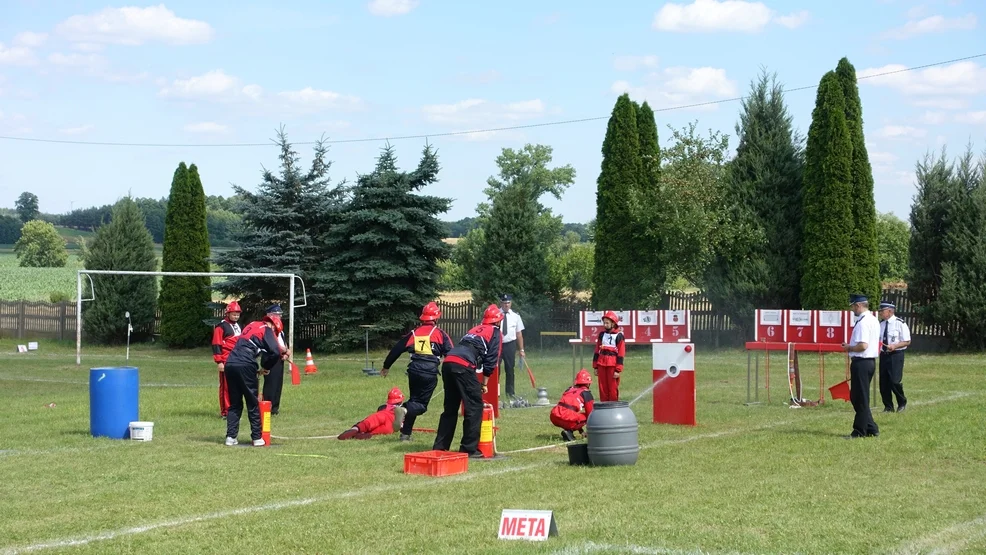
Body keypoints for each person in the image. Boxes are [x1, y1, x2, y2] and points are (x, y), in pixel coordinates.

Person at [433, 304, 503, 458]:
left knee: (450, 408)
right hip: (463, 366)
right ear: (498, 321)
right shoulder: (495, 332)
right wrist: (484, 383)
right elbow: (491, 360)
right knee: (474, 406)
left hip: (448, 362)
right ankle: (469, 449)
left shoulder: (474, 329)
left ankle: (440, 446)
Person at [381, 302, 453, 441]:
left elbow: (397, 349)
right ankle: (404, 410)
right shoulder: (440, 334)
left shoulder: (414, 333)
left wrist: (386, 366)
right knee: (421, 405)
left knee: (415, 400)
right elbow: (451, 353)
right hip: (429, 372)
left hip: (413, 371)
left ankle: (405, 434)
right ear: (436, 318)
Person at [223, 314, 285, 446]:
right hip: (245, 363)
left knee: (235, 403)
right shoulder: (267, 328)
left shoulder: (252, 325)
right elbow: (275, 351)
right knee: (252, 401)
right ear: (274, 326)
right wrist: (266, 367)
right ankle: (257, 438)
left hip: (230, 362)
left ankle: (230, 437)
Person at [841, 294, 881, 439]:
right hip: (869, 362)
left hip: (862, 362)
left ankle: (859, 431)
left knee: (860, 398)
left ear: (858, 305)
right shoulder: (873, 320)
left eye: (852, 306)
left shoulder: (863, 322)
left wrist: (849, 348)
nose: (852, 309)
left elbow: (863, 345)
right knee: (858, 396)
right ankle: (871, 427)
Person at [878, 301, 911, 413]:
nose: (880, 313)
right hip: (884, 355)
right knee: (884, 382)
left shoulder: (900, 323)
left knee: (894, 381)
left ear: (890, 311)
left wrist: (895, 346)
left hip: (896, 355)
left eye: (882, 311)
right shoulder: (881, 324)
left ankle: (902, 403)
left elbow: (907, 341)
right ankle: (888, 406)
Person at [338, 388, 408, 440]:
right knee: (373, 431)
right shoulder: (404, 411)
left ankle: (356, 430)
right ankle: (364, 434)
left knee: (367, 424)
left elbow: (370, 421)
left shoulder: (383, 411)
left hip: (385, 418)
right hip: (391, 427)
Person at [211, 300, 242, 418]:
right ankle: (226, 411)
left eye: (238, 314)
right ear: (228, 313)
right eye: (234, 314)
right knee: (226, 387)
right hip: (226, 360)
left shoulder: (238, 326)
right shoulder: (221, 327)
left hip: (238, 360)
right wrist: (219, 361)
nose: (236, 316)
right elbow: (216, 344)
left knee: (236, 386)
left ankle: (235, 408)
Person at [260, 304, 290, 415]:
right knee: (270, 384)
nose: (279, 317)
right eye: (276, 315)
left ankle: (275, 407)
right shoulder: (267, 329)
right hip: (270, 357)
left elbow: (283, 343)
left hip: (280, 358)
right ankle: (267, 406)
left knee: (278, 384)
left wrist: (287, 353)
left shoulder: (280, 329)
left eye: (280, 315)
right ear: (269, 315)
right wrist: (282, 350)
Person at [550, 369, 595, 442]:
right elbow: (591, 414)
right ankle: (569, 431)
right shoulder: (586, 393)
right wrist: (591, 433)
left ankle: (568, 431)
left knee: (574, 416)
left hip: (554, 416)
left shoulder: (569, 389)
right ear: (587, 383)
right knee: (588, 416)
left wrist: (581, 431)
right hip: (566, 418)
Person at [592, 310, 626, 402]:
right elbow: (596, 351)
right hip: (601, 363)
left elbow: (621, 354)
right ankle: (604, 406)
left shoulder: (619, 336)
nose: (605, 325)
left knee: (612, 387)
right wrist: (595, 366)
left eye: (607, 323)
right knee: (602, 387)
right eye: (604, 323)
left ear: (613, 323)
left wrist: (618, 370)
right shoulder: (601, 335)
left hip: (612, 364)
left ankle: (613, 407)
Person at [498, 294, 526, 399]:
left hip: (510, 345)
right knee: (496, 370)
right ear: (501, 303)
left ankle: (510, 393)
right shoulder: (496, 314)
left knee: (510, 369)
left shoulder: (516, 316)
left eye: (508, 303)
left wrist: (521, 349)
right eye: (504, 303)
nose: (506, 305)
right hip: (498, 344)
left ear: (511, 303)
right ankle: (496, 392)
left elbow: (519, 334)